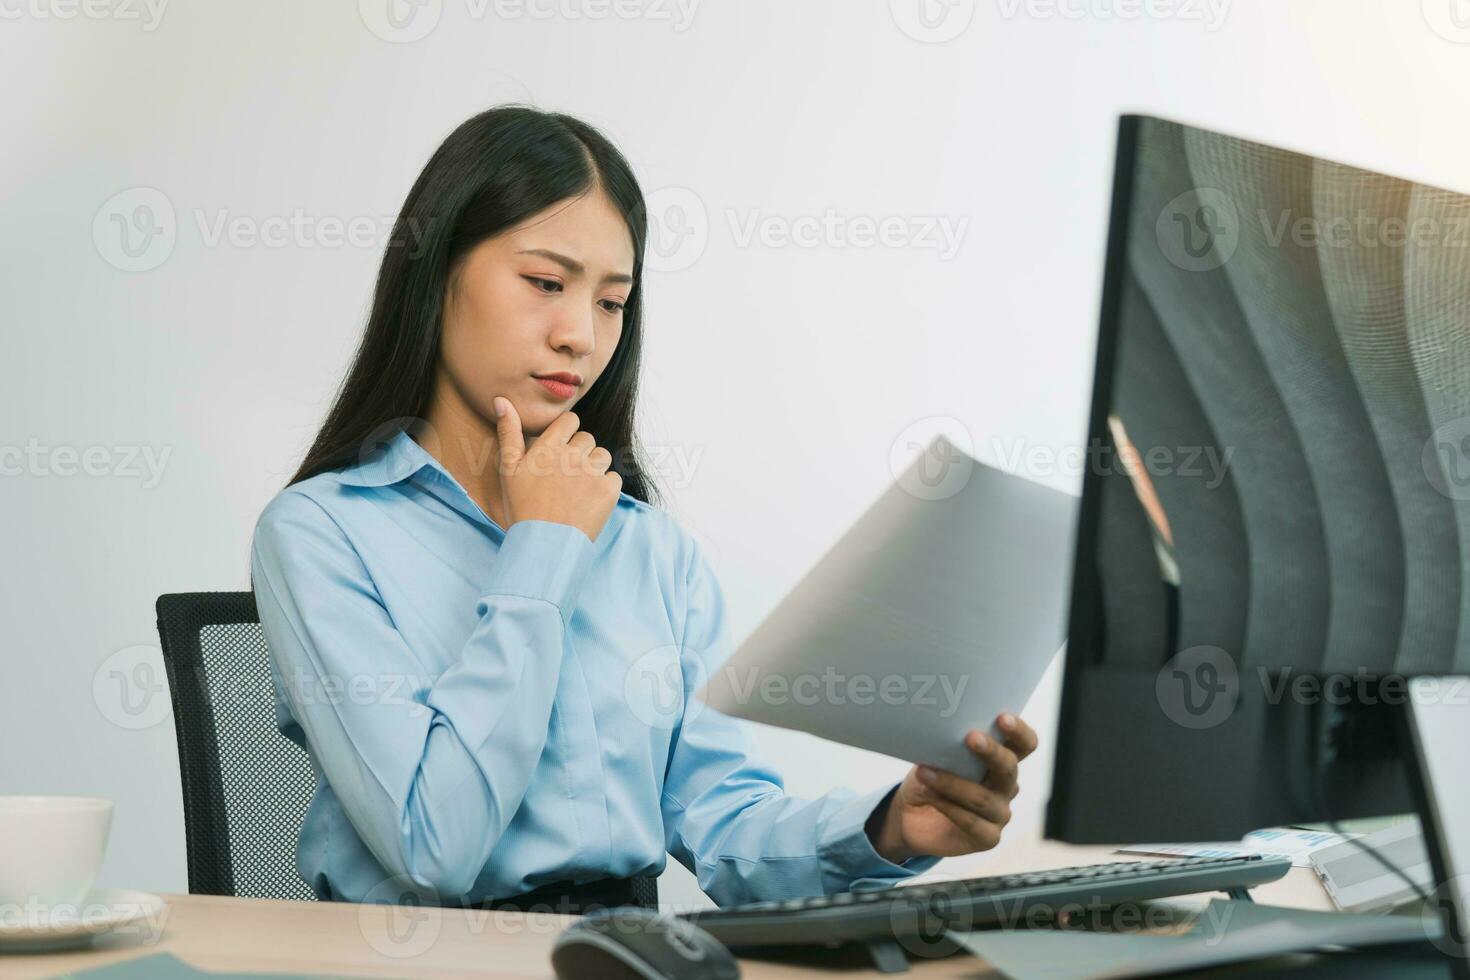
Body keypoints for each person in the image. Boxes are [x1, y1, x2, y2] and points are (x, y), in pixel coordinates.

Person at [249, 104, 1038, 911]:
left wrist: (890, 827)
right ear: (438, 272)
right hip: (420, 960)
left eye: (611, 302)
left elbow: (723, 823)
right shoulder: (320, 533)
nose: (580, 337)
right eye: (546, 283)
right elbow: (431, 845)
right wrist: (545, 547)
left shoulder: (649, 547)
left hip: (625, 951)